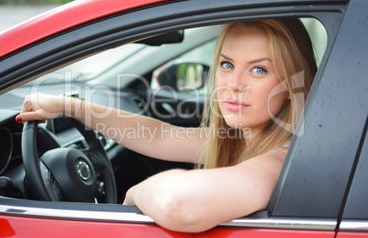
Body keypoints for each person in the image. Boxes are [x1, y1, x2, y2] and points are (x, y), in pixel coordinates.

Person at [16, 18, 317, 233]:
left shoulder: (281, 160)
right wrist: (72, 107)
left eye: (258, 69)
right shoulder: (241, 139)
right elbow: (159, 136)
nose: (234, 84)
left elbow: (178, 203)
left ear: (292, 83)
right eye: (227, 65)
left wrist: (135, 194)